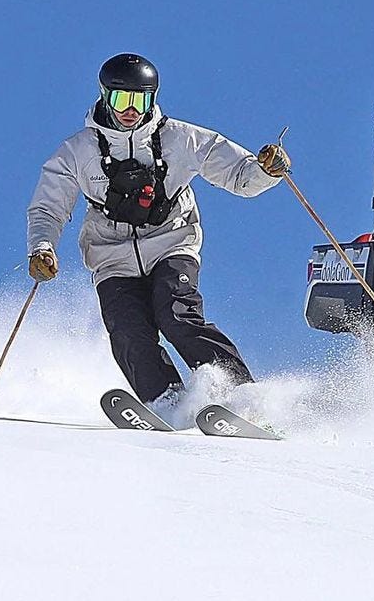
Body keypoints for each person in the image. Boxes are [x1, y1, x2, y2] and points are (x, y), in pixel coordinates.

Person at [26, 53, 289, 407]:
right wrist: (42, 248)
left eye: (140, 100)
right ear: (105, 96)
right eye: (121, 98)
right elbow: (48, 207)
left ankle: (240, 395)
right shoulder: (77, 152)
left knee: (176, 313)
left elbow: (239, 174)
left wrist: (266, 170)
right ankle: (168, 403)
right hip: (111, 256)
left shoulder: (181, 138)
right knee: (128, 331)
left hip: (172, 242)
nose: (130, 110)